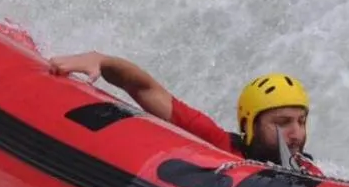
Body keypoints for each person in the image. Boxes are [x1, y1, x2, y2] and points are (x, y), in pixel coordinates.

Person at [47, 51, 323, 176]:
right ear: (249, 125)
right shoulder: (219, 145)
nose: (296, 133)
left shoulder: (309, 171)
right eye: (282, 123)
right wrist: (102, 61)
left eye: (301, 121)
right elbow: (145, 89)